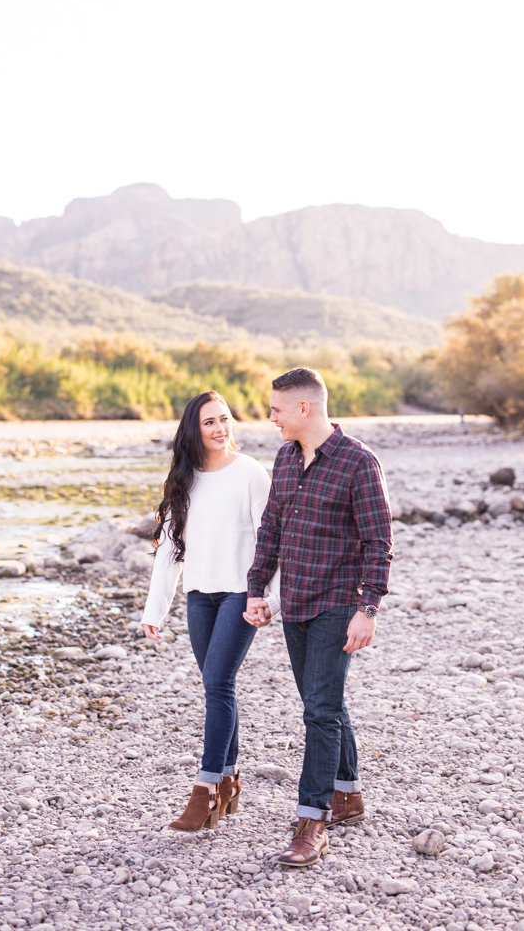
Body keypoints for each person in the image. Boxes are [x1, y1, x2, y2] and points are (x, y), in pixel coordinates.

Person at [244, 368, 392, 867]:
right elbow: (272, 530)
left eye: (277, 410)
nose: (272, 420)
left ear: (303, 408)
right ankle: (348, 794)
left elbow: (378, 543)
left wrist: (367, 608)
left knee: (320, 710)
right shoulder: (285, 459)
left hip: (336, 604)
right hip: (296, 603)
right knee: (320, 701)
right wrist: (256, 587)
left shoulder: (358, 462)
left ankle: (313, 820)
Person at [141, 390, 279, 832]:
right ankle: (229, 781)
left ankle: (203, 793)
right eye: (210, 422)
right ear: (193, 430)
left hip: (242, 592)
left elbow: (272, 541)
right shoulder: (183, 481)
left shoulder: (251, 474)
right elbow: (169, 552)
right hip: (200, 596)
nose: (221, 428)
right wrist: (155, 609)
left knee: (218, 683)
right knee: (218, 687)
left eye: (225, 419)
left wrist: (267, 598)